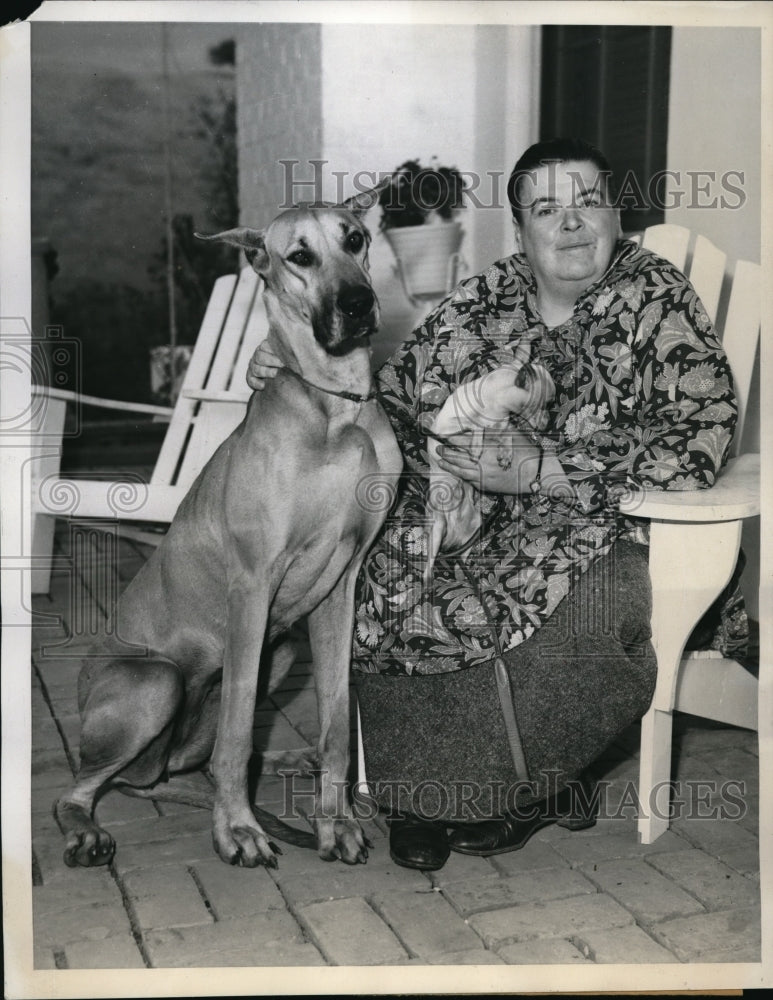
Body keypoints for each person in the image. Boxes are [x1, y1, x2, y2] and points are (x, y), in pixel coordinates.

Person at [247, 138, 742, 871]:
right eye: (546, 208)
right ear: (520, 229)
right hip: (472, 510)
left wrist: (545, 469)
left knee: (497, 603)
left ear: (615, 214)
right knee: (380, 567)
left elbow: (699, 440)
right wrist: (297, 370)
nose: (569, 224)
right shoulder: (487, 297)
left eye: (586, 203)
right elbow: (393, 396)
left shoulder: (656, 298)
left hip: (603, 521)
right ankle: (421, 797)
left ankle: (517, 790)